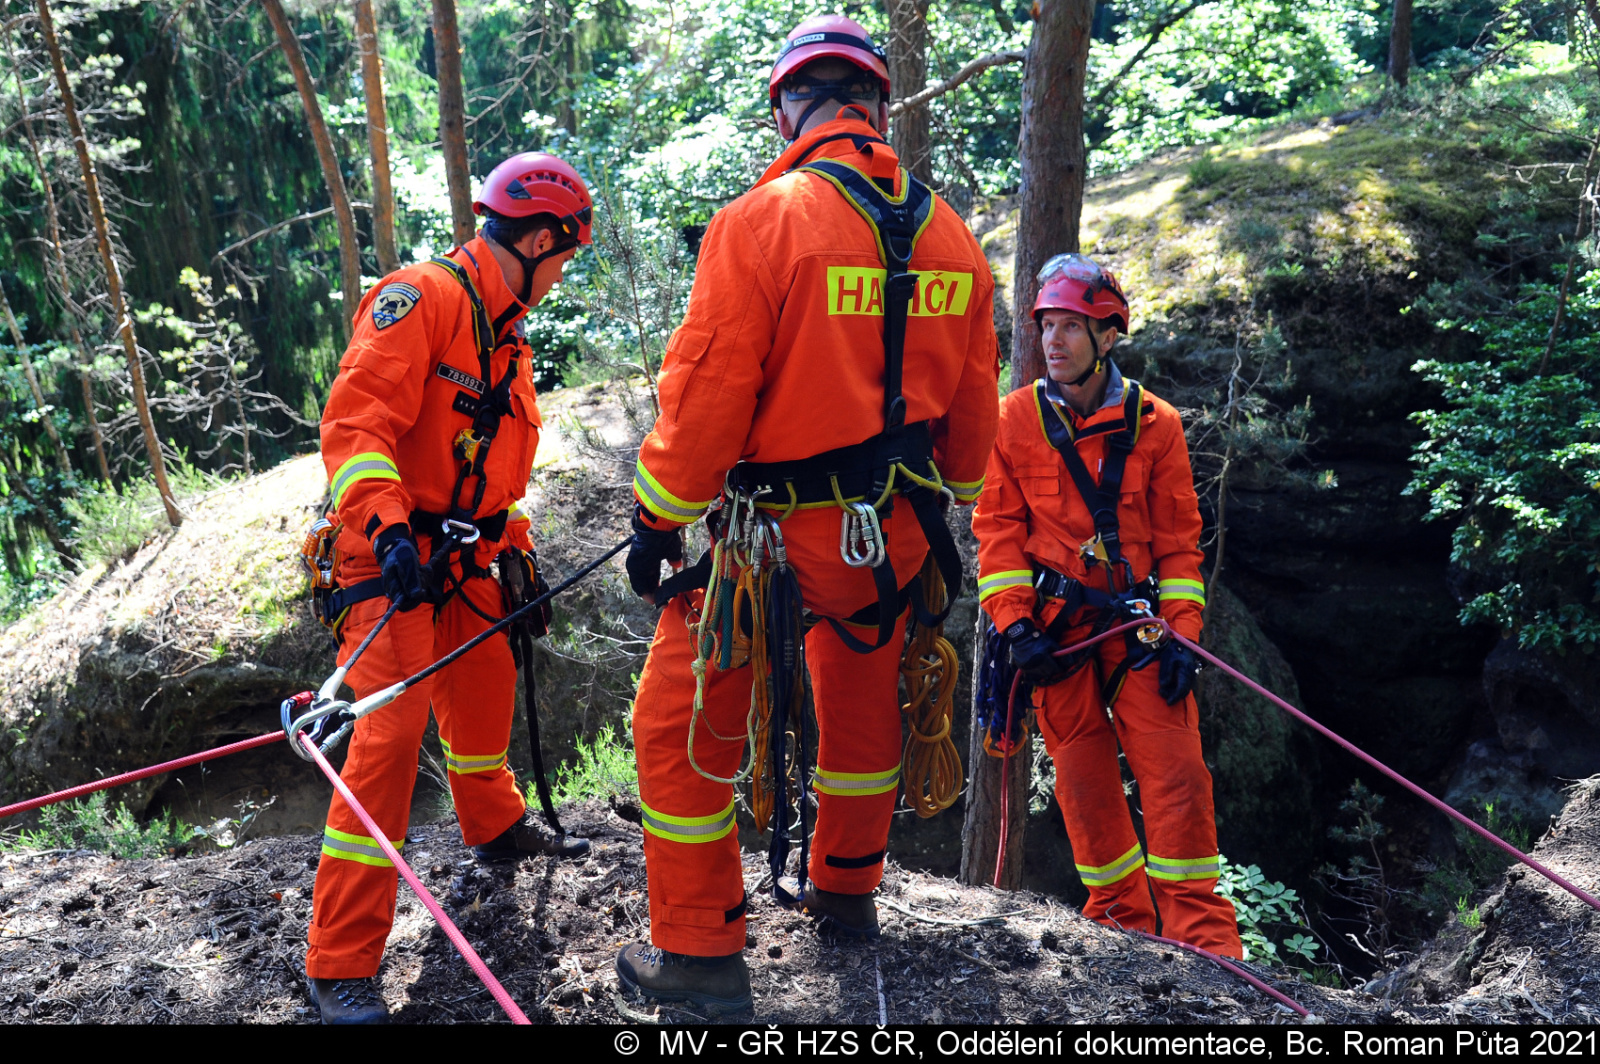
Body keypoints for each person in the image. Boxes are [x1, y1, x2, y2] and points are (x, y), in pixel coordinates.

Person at [613, 14, 1000, 1010]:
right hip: (893, 536)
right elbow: (971, 426)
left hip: (772, 538)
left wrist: (658, 518)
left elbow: (707, 396)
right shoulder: (954, 234)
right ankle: (845, 892)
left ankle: (699, 958)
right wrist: (941, 504)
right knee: (862, 701)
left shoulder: (764, 217)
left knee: (678, 722)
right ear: (877, 106)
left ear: (789, 106)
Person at [308, 152, 595, 1023]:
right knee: (388, 739)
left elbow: (491, 478)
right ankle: (339, 961)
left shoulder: (507, 340)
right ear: (543, 238)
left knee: (484, 688)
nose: (560, 274)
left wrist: (521, 552)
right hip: (381, 559)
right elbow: (356, 426)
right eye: (564, 257)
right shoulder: (423, 298)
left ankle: (493, 824)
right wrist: (390, 533)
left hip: (465, 561)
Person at [971, 252, 1243, 958]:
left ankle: (1209, 953)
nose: (1053, 342)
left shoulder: (1158, 425)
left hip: (1140, 632)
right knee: (1086, 790)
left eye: (1070, 327)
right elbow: (996, 533)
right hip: (1056, 641)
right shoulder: (1012, 420)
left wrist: (1184, 635)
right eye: (1047, 327)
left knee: (1178, 782)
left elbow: (1182, 547)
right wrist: (1016, 626)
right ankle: (1123, 936)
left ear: (1109, 336)